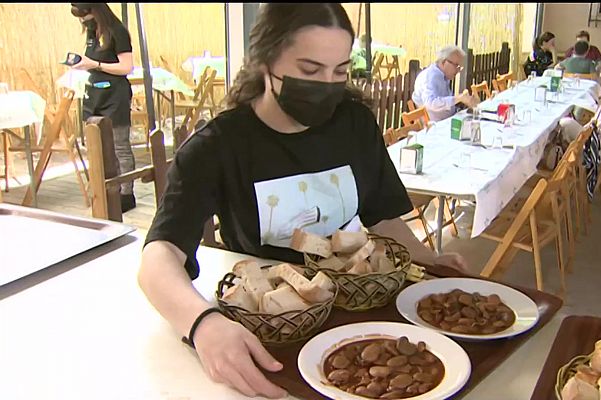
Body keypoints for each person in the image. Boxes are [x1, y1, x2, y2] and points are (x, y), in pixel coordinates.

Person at [138, 4, 469, 398]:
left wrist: (425, 257)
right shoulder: (219, 146)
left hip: (358, 313)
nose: (328, 85)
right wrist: (203, 324)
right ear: (264, 63)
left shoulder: (355, 124)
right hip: (271, 330)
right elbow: (158, 259)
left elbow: (382, 217)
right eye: (311, 71)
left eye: (341, 71)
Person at [69, 3, 136, 212]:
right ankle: (104, 189)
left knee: (119, 145)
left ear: (95, 10)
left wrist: (95, 65)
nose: (83, 20)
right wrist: (82, 63)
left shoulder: (117, 32)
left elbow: (126, 67)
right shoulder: (92, 32)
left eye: (85, 15)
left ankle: (126, 193)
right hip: (94, 94)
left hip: (114, 95)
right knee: (97, 146)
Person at [411, 45, 477, 122]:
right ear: (443, 62)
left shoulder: (442, 76)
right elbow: (430, 103)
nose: (458, 71)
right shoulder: (431, 77)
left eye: (459, 67)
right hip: (435, 127)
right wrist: (459, 98)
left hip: (447, 120)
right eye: (456, 65)